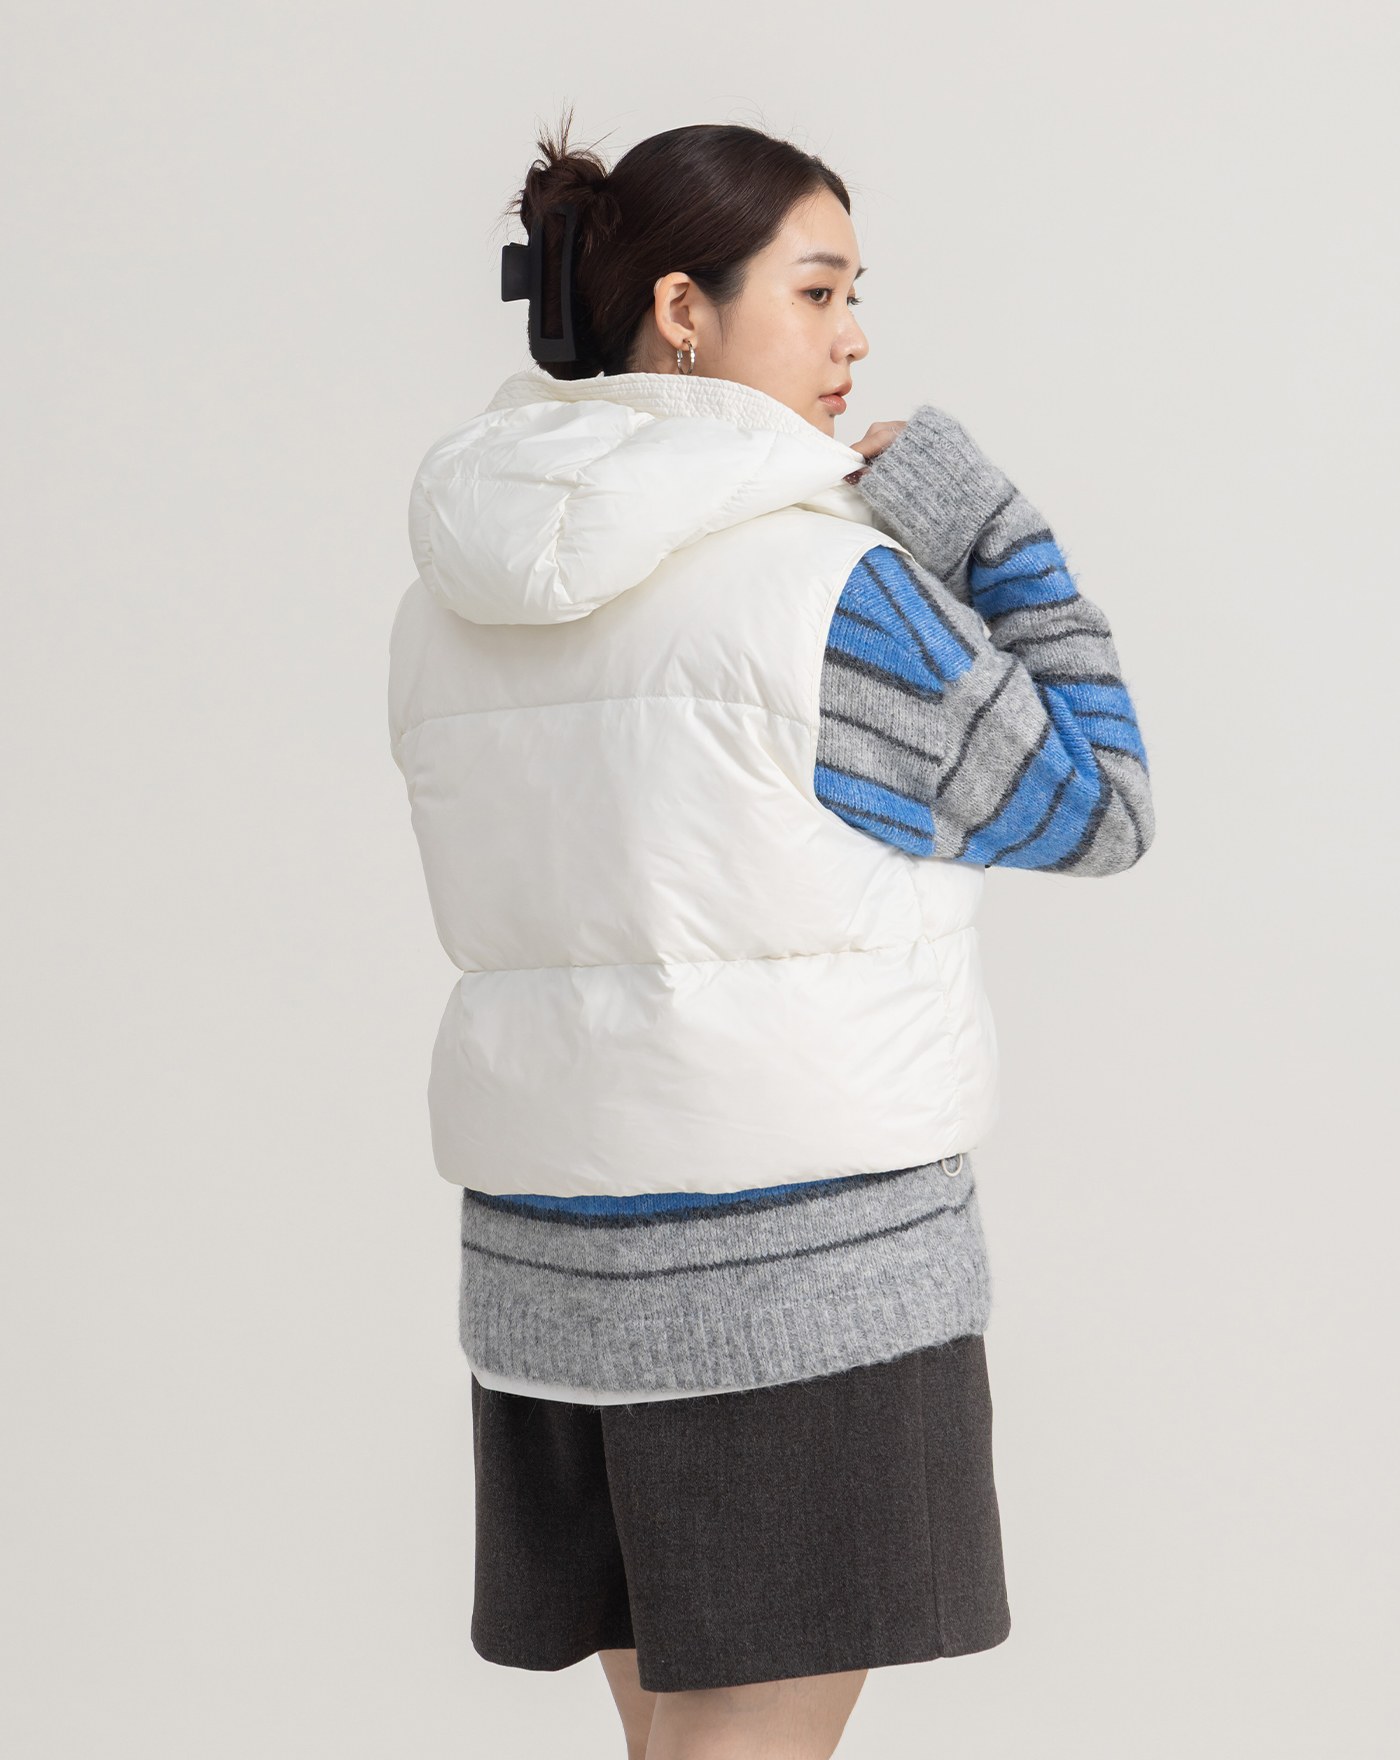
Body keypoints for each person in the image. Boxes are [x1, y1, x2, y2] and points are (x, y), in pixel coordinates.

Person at [387, 109, 1154, 1760]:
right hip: (799, 1279)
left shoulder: (454, 596)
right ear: (684, 310)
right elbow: (1098, 807)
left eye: (856, 294)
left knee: (677, 1740)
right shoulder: (834, 596)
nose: (853, 336)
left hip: (550, 1267)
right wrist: (983, 523)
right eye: (816, 291)